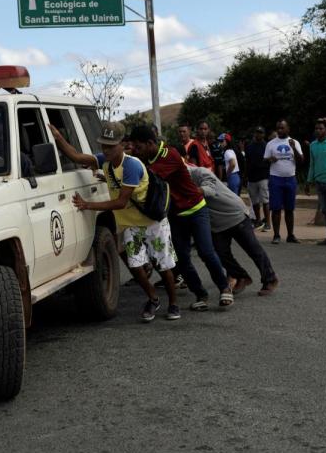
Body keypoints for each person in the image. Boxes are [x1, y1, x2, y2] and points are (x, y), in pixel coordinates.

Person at [49, 121, 181, 322]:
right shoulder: (105, 161)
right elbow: (76, 156)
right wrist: (58, 137)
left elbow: (120, 202)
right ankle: (153, 298)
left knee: (164, 265)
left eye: (111, 146)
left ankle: (173, 303)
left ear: (123, 144)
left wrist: (87, 205)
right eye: (103, 145)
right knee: (135, 266)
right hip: (131, 225)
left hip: (153, 222)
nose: (106, 150)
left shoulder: (131, 166)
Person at [127, 125, 233, 310]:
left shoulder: (169, 155)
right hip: (176, 215)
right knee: (182, 258)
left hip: (196, 209)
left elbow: (147, 178)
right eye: (133, 148)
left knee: (206, 252)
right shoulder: (148, 157)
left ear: (151, 143)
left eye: (138, 147)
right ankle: (201, 294)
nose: (136, 151)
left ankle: (224, 287)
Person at [186, 164, 279, 296]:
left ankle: (270, 279)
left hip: (235, 214)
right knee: (220, 253)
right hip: (217, 222)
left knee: (253, 249)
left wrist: (192, 191)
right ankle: (241, 277)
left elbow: (210, 188)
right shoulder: (175, 182)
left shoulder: (199, 172)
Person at [263, 120, 303, 244]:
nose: (280, 130)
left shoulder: (294, 142)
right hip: (275, 178)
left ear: (288, 129)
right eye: (278, 128)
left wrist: (293, 148)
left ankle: (290, 235)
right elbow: (264, 160)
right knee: (276, 208)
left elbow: (301, 160)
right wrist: (270, 159)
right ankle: (276, 235)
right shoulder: (271, 144)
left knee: (290, 209)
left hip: (290, 178)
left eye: (282, 128)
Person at [244, 127, 271, 230]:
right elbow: (247, 161)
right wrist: (245, 176)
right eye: (257, 132)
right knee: (254, 201)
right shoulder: (250, 146)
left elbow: (269, 161)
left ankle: (268, 223)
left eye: (261, 132)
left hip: (263, 176)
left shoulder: (267, 146)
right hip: (252, 176)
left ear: (264, 134)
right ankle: (258, 221)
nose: (258, 134)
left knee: (265, 200)